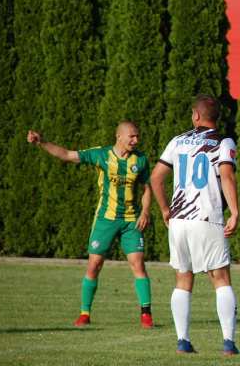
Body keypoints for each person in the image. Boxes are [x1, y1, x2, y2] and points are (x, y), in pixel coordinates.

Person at [28, 122, 154, 328]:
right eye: (132, 136)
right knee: (94, 265)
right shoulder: (101, 155)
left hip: (131, 220)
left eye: (137, 136)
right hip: (105, 219)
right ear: (119, 137)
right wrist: (42, 142)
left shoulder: (140, 160)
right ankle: (85, 313)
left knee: (138, 264)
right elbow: (67, 155)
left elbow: (147, 188)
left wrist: (146, 212)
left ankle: (146, 315)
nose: (136, 140)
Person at [150, 95, 240, 356]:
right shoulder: (223, 142)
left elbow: (156, 178)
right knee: (220, 278)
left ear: (196, 116)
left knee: (182, 278)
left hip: (179, 220)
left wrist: (166, 209)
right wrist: (234, 211)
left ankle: (183, 341)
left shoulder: (177, 141)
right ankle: (228, 343)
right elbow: (226, 175)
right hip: (206, 217)